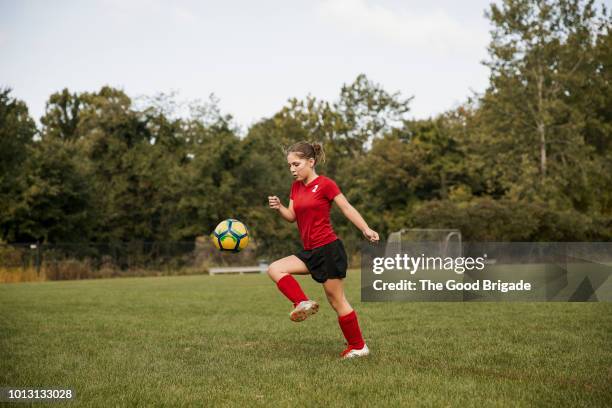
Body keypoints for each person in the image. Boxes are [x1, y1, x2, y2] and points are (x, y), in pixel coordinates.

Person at [267, 141, 379, 359]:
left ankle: (358, 346)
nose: (292, 169)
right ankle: (302, 302)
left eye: (296, 164)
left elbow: (346, 208)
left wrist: (366, 228)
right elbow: (292, 217)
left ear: (311, 161)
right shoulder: (296, 187)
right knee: (275, 268)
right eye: (289, 165)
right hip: (310, 251)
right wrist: (279, 207)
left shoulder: (326, 184)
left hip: (328, 250)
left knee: (337, 301)